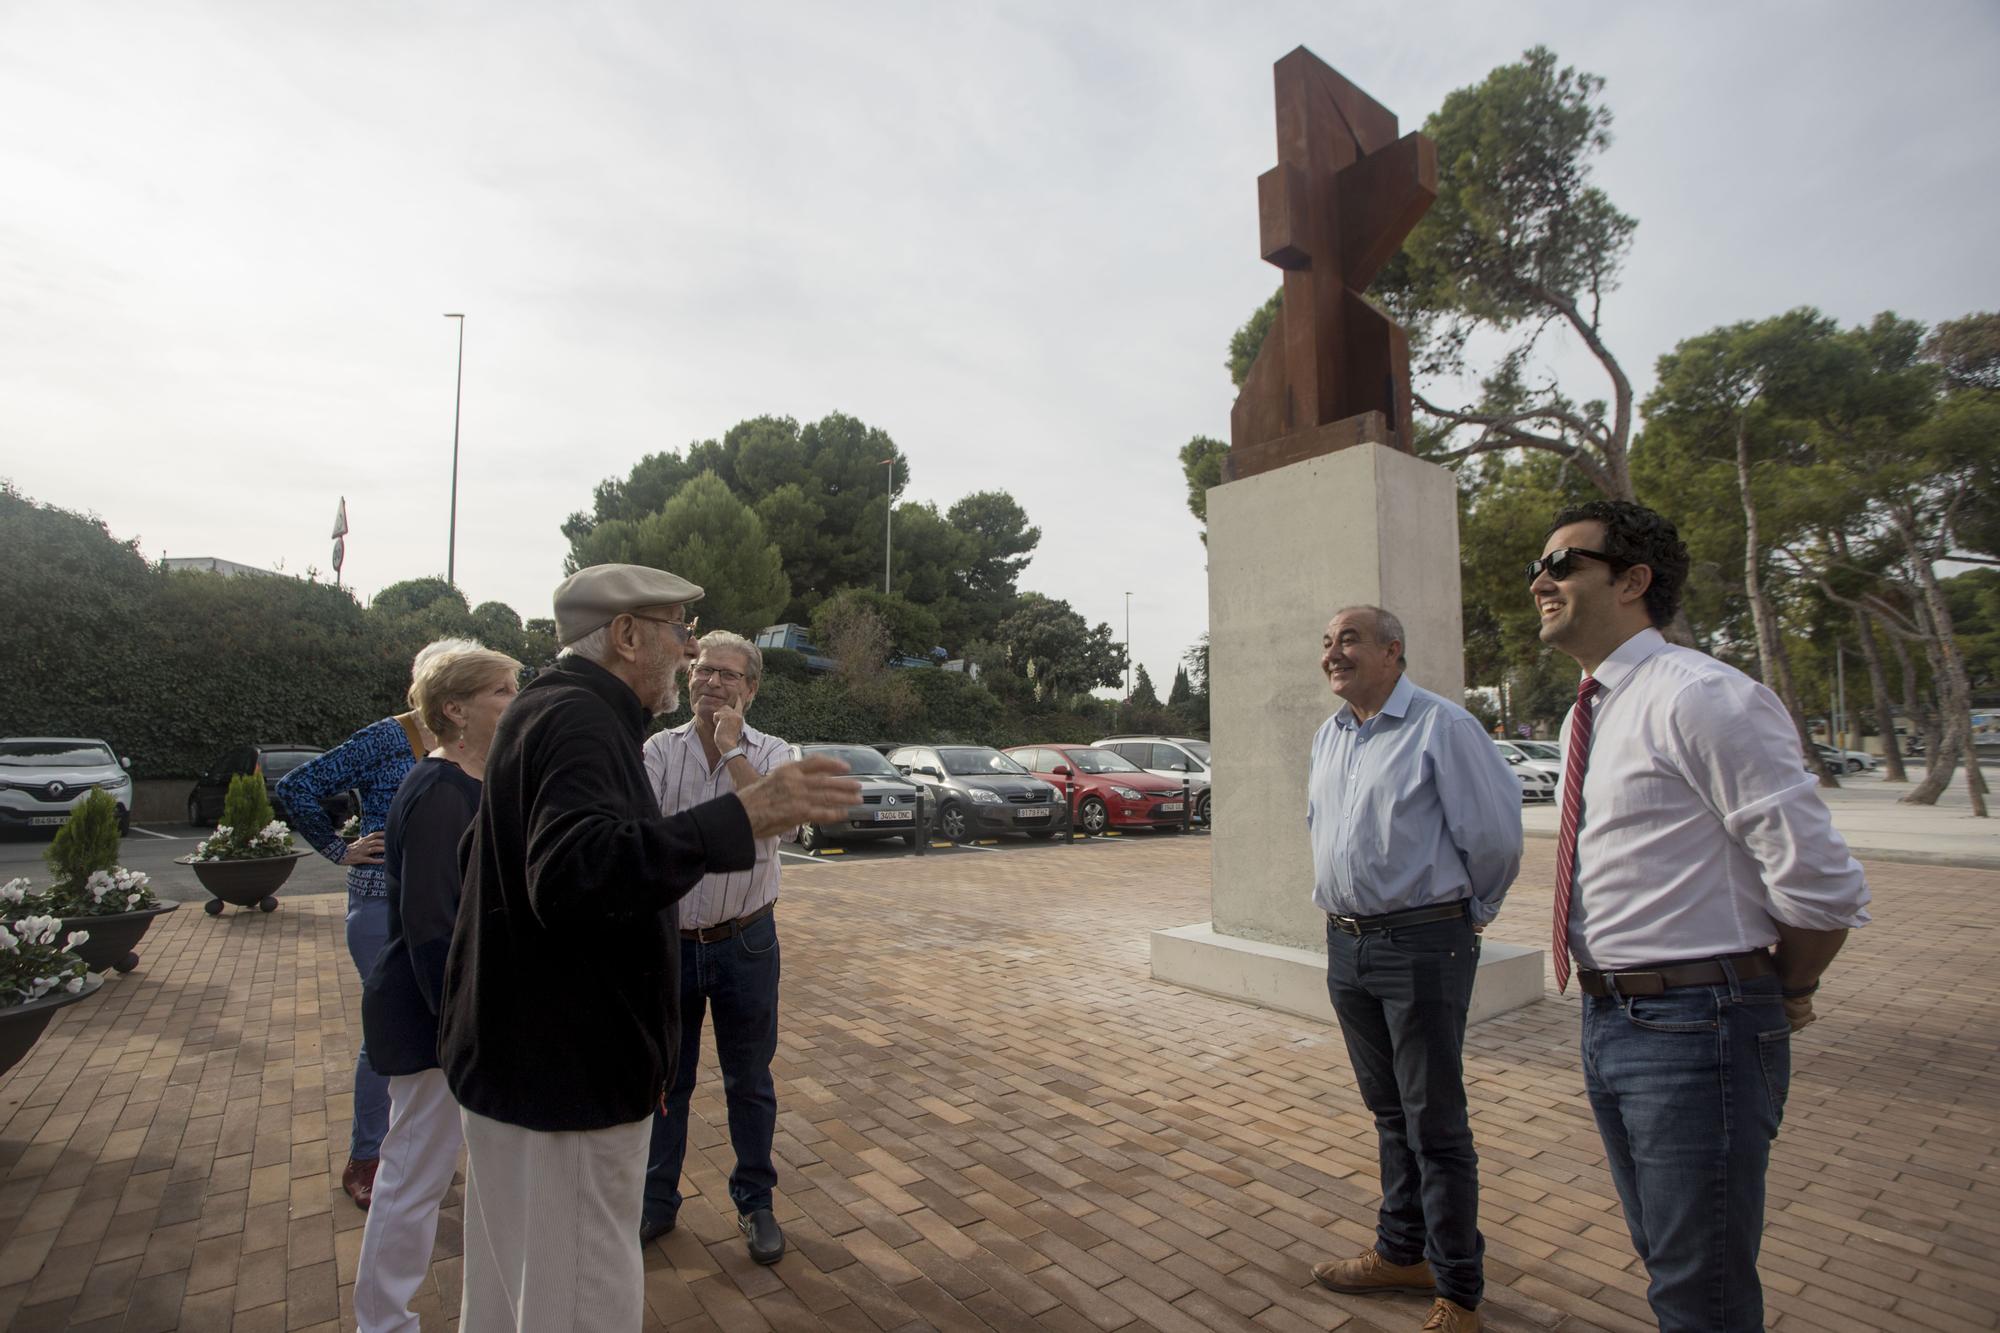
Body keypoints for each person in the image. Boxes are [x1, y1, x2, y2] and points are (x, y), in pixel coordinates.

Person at [436, 564, 860, 1333]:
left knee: (509, 1292)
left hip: (519, 1064)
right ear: (628, 635)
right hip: (565, 1079)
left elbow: (486, 856)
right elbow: (572, 870)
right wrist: (740, 816)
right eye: (679, 631)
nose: (689, 652)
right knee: (576, 1298)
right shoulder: (582, 721)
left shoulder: (543, 708)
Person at [1531, 500, 1871, 1332]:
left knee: (1699, 1286)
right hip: (1612, 1016)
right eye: (1538, 566)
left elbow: (1823, 886)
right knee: (1671, 1260)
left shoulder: (1703, 696)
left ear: (1633, 580)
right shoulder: (1593, 707)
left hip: (1698, 1024)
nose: (1541, 579)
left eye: (1565, 563)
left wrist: (1781, 990)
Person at [1305, 606, 1521, 1333]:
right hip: (1347, 946)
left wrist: (1469, 915)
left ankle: (1459, 1292)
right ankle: (1402, 1251)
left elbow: (1493, 837)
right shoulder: (1329, 736)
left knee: (1436, 1123)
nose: (1334, 652)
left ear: (1393, 651)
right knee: (1390, 1110)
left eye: (1350, 639)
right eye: (1328, 642)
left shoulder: (1442, 726)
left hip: (1423, 944)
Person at [351, 641, 521, 1332]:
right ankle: (382, 1321)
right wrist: (460, 1032)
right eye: (503, 691)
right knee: (413, 1175)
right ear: (455, 708)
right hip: (432, 1024)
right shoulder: (437, 792)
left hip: (467, 1017)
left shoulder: (482, 782)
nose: (516, 701)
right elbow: (431, 929)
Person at [275, 641, 457, 1210]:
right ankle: (366, 1157)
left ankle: (420, 1150)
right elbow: (295, 785)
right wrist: (338, 848)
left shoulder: (471, 741)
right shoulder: (386, 737)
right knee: (388, 1028)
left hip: (447, 904)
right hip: (382, 904)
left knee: (444, 1027)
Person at [638, 631, 795, 1262]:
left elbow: (775, 820)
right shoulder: (657, 749)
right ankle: (655, 1203)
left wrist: (732, 752)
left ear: (751, 689)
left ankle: (756, 1203)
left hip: (745, 943)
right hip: (670, 942)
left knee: (748, 1080)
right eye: (703, 671)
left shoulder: (775, 750)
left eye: (728, 675)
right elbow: (642, 834)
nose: (711, 683)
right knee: (667, 1080)